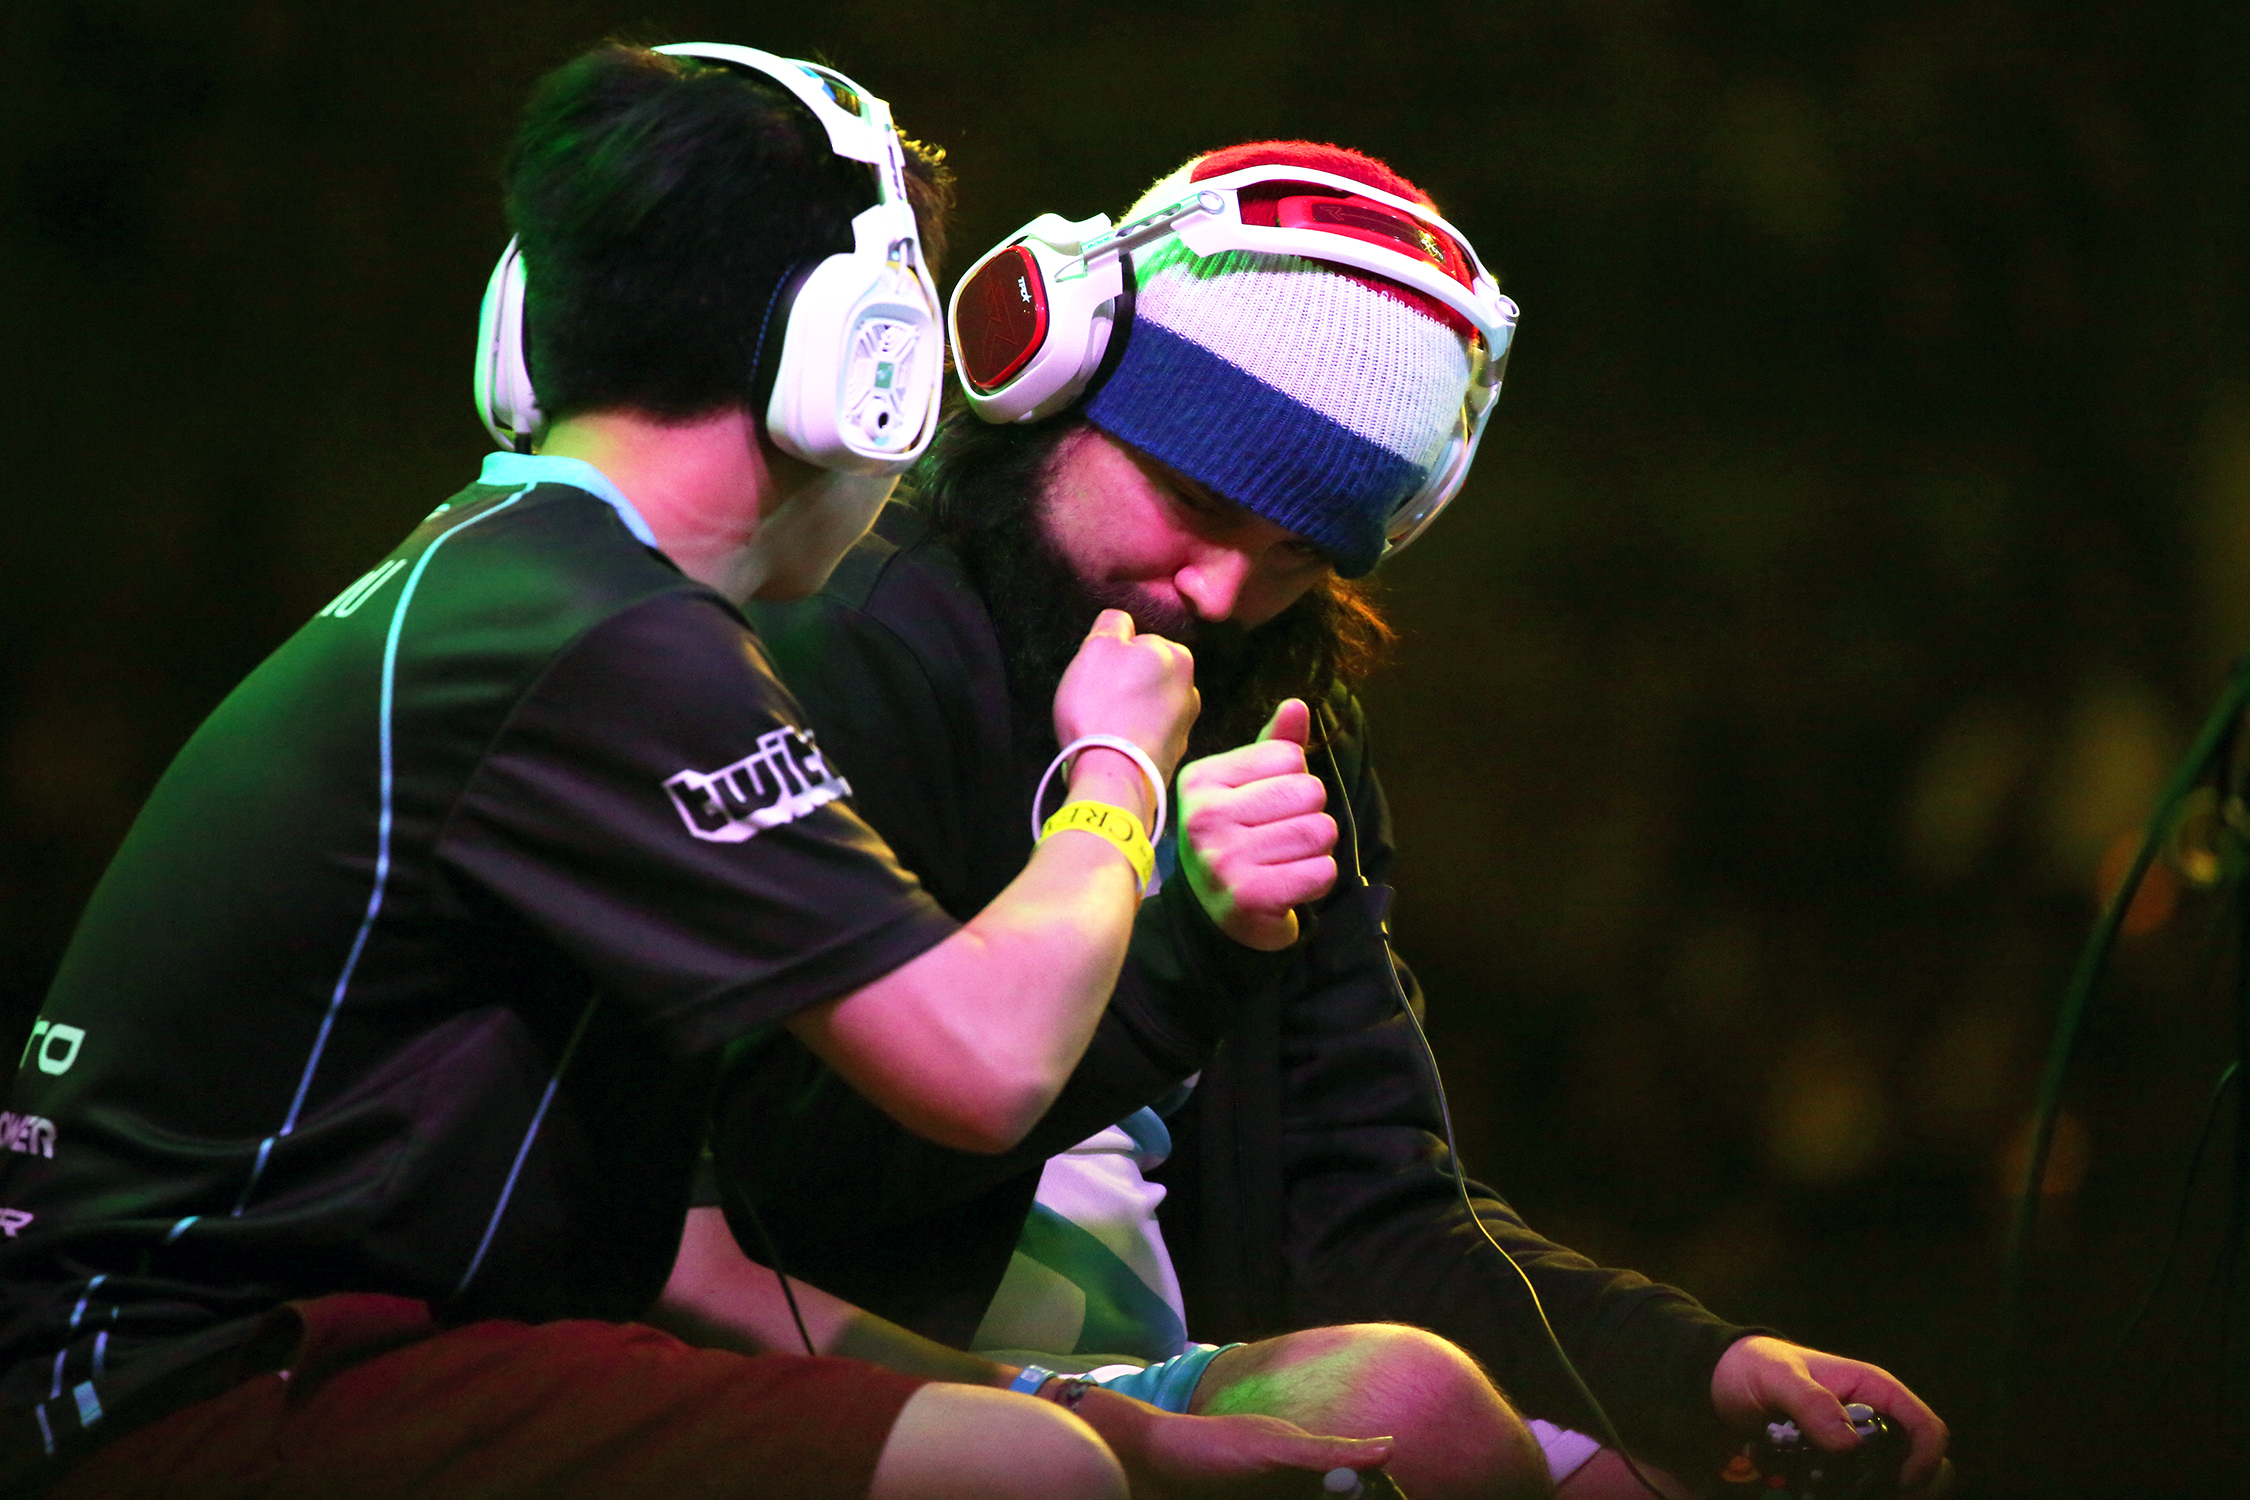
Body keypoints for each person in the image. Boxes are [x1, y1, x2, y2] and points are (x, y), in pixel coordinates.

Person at [0, 50, 1382, 1500]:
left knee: (1039, 1457)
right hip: (197, 1394)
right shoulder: (605, 643)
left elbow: (699, 1266)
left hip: (225, 1365)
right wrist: (1114, 776)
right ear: (867, 370)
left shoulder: (511, 584)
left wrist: (1098, 1416)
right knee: (1016, 1481)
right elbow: (982, 1066)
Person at [696, 141, 1955, 1499]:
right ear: (1051, 376)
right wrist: (1192, 946)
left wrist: (1702, 1367)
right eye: (1193, 503)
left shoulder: (1276, 705)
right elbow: (772, 1196)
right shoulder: (837, 644)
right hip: (873, 1375)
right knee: (1404, 1407)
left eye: (1298, 551)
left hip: (1173, 1361)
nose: (1223, 592)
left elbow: (1365, 1208)